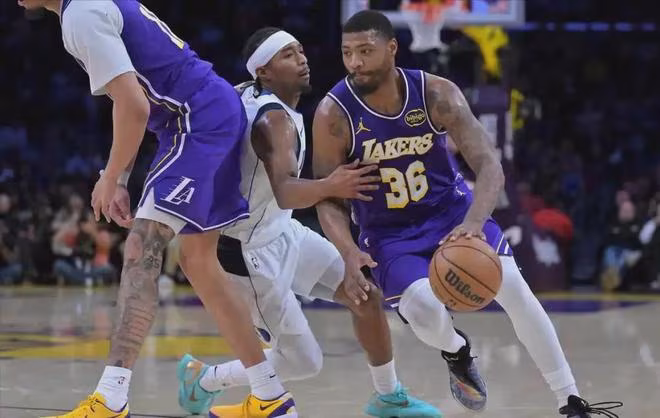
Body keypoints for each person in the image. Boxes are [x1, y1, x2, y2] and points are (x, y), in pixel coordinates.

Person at [312, 10, 622, 418]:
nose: (354, 62)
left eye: (365, 51)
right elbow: (328, 198)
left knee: (514, 288)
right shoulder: (334, 114)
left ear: (392, 48)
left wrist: (473, 223)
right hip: (389, 234)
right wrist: (348, 251)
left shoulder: (437, 94)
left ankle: (570, 399)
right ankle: (458, 351)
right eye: (347, 52)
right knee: (423, 309)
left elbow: (489, 164)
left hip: (452, 213)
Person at [18, 1, 295, 417]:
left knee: (141, 247)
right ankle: (270, 395)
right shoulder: (87, 8)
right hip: (209, 110)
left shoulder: (81, 13)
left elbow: (135, 106)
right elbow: (127, 102)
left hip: (196, 119)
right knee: (198, 261)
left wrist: (111, 176)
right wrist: (120, 177)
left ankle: (111, 398)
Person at [176, 27, 441, 418]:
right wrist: (332, 185)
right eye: (288, 55)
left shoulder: (252, 97)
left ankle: (388, 398)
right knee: (304, 361)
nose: (302, 59)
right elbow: (286, 192)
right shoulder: (273, 120)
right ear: (263, 71)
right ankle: (204, 379)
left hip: (282, 230)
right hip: (248, 253)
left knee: (365, 296)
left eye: (300, 50)